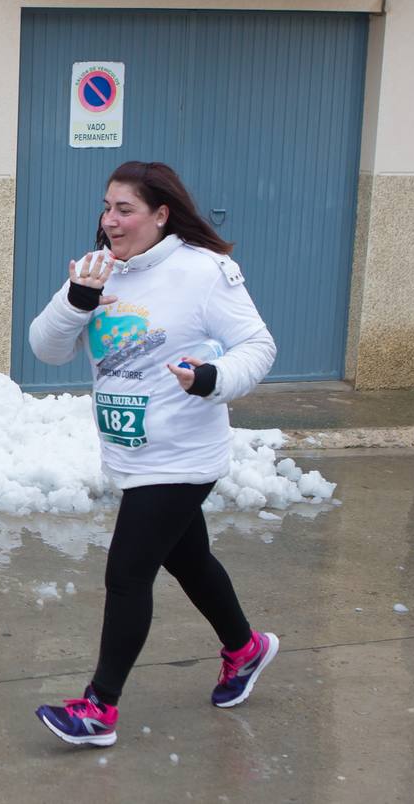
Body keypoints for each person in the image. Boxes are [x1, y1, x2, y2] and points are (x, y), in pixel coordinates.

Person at [29, 161, 279, 748]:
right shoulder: (96, 271)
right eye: (107, 207)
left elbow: (258, 345)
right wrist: (78, 299)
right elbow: (46, 349)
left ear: (161, 214)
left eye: (126, 210)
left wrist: (212, 377)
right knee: (189, 559)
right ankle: (245, 649)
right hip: (131, 451)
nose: (110, 221)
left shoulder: (203, 272)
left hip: (184, 451)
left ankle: (98, 709)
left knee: (128, 571)